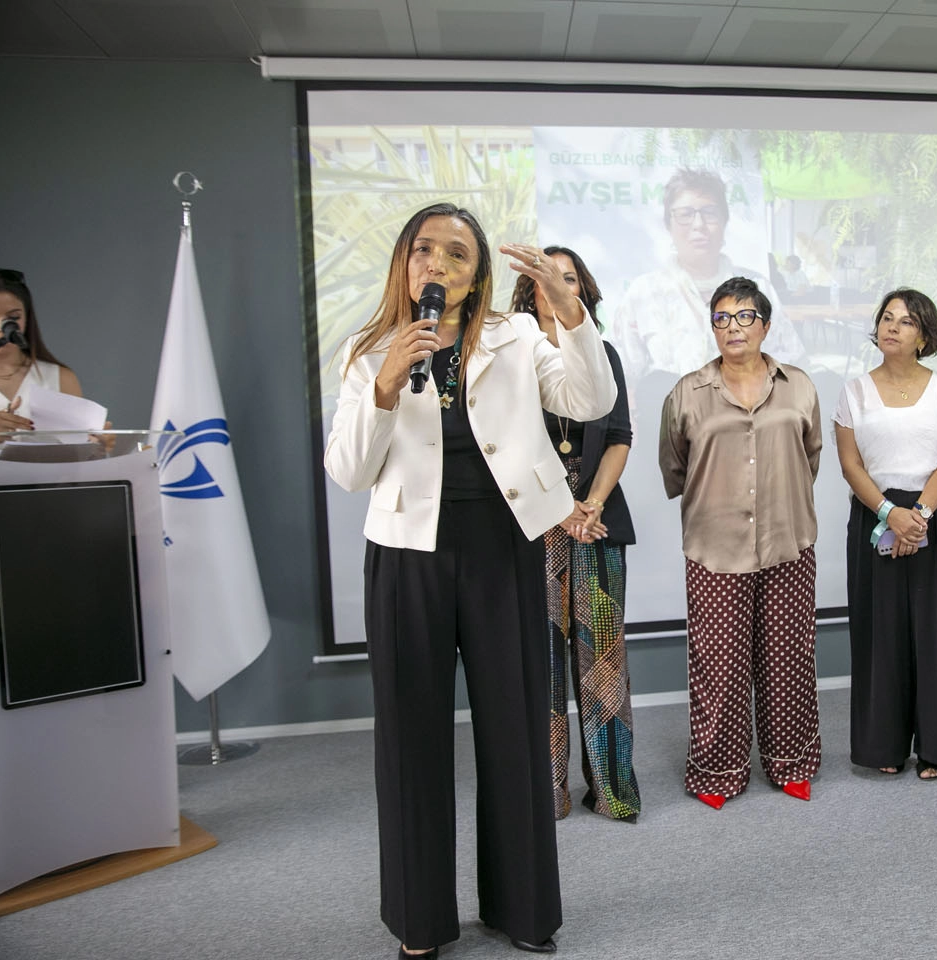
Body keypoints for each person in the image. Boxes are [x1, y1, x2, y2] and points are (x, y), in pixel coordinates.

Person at [324, 203, 615, 957]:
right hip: (405, 556)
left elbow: (592, 402)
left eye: (457, 253)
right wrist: (386, 385)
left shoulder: (515, 336)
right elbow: (349, 471)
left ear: (478, 272)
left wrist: (568, 308)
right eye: (426, 250)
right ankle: (420, 922)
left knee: (516, 732)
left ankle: (522, 910)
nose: (439, 264)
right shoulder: (368, 351)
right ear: (405, 262)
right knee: (410, 740)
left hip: (503, 552)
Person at [658, 276, 822, 809]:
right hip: (714, 546)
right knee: (719, 665)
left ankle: (791, 762)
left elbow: (810, 456)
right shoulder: (687, 391)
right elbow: (675, 466)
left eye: (745, 316)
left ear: (766, 325)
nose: (733, 327)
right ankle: (718, 771)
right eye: (721, 318)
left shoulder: (798, 385)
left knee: (787, 660)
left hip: (788, 543)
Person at [509, 245, 641, 822]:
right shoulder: (510, 355)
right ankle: (548, 793)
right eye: (547, 278)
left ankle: (612, 790)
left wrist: (589, 502)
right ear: (529, 290)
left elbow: (619, 435)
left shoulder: (602, 353)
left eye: (570, 278)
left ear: (582, 290)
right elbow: (507, 448)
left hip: (597, 524)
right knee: (538, 665)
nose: (558, 286)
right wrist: (561, 509)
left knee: (603, 663)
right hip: (531, 531)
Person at [834, 289, 937, 779]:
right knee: (881, 636)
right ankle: (886, 746)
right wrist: (887, 513)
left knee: (936, 636)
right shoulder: (854, 391)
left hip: (934, 517)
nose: (892, 326)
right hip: (873, 516)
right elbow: (851, 464)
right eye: (886, 317)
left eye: (906, 321)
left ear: (925, 335)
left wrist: (915, 516)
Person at [615, 168, 802, 379]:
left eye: (709, 213)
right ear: (669, 224)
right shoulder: (644, 293)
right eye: (685, 214)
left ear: (724, 222)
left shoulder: (758, 288)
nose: (699, 225)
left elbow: (792, 364)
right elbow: (625, 378)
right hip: (667, 412)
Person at [0, 268, 110, 455]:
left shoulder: (60, 377)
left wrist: (97, 446)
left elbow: (81, 455)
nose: (1, 328)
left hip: (48, 483)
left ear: (26, 317)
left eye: (13, 318)